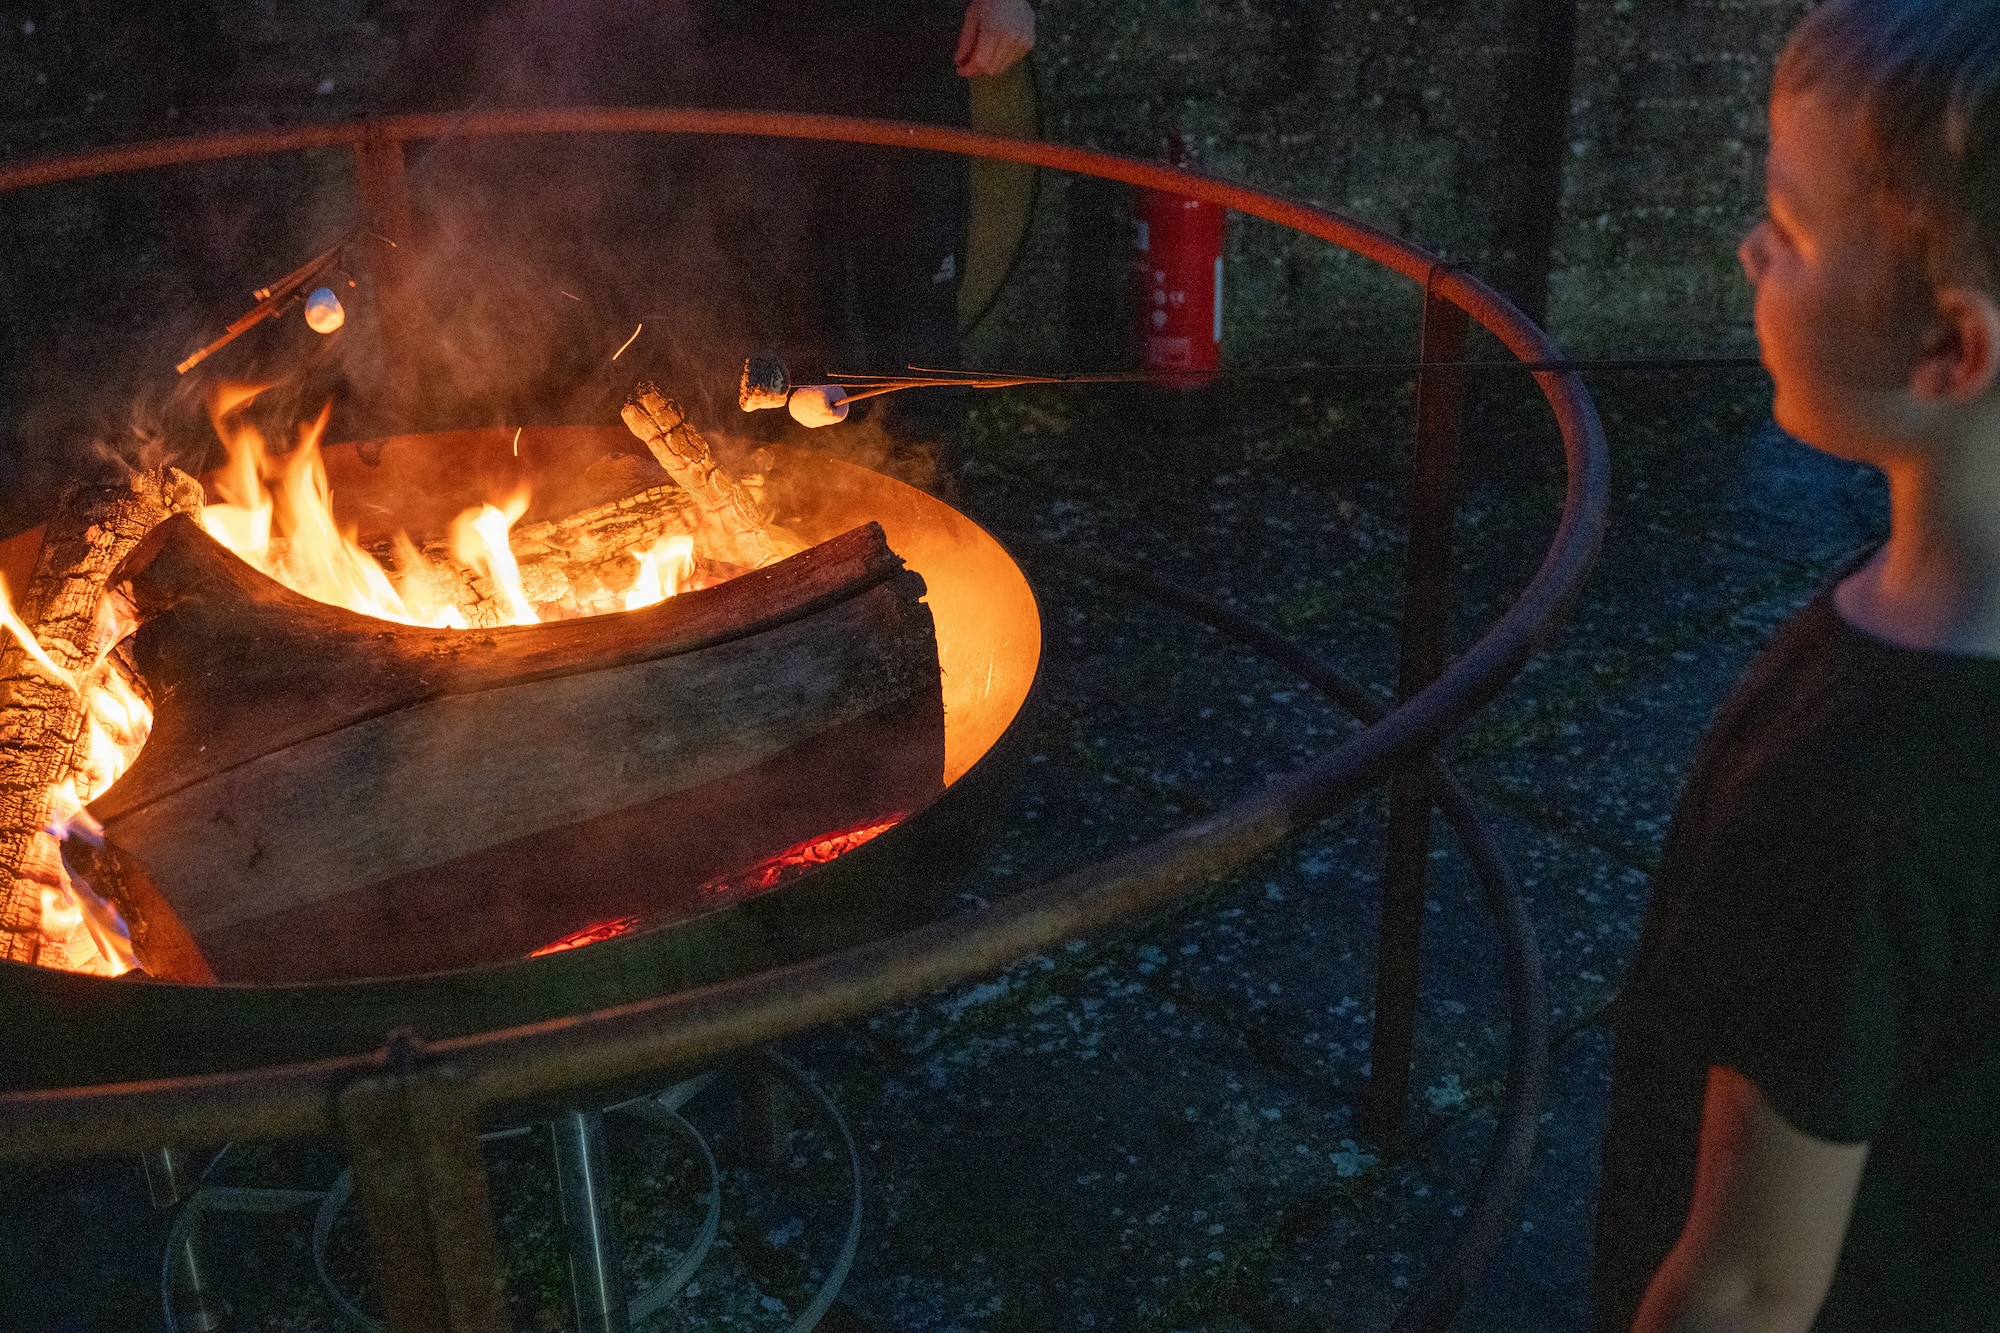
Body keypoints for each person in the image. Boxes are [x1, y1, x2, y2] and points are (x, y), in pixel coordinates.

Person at [1590, 3, 2000, 1330]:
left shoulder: (1857, 797)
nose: (1750, 246)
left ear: (1952, 347)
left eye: (1794, 225)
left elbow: (1750, 1288)